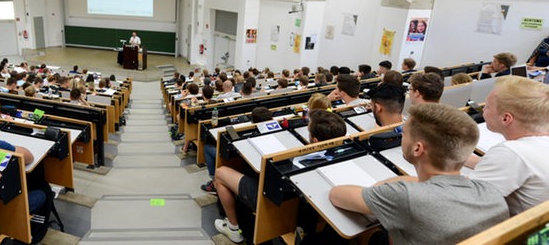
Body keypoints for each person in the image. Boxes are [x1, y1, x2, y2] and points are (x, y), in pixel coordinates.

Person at [329, 103, 508, 244]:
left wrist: (389, 185)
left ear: (417, 148)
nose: (401, 136)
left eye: (404, 133)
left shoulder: (405, 196)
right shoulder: (492, 193)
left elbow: (336, 195)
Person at [213, 108, 345, 243]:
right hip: (302, 209)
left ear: (315, 141)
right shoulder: (345, 157)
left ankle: (233, 228)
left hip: (274, 203)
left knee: (220, 173)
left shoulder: (299, 163)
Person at [467, 76, 549, 216]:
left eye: (487, 106)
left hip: (522, 235)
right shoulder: (536, 145)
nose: (483, 110)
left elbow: (464, 200)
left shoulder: (510, 153)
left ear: (506, 118)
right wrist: (462, 157)